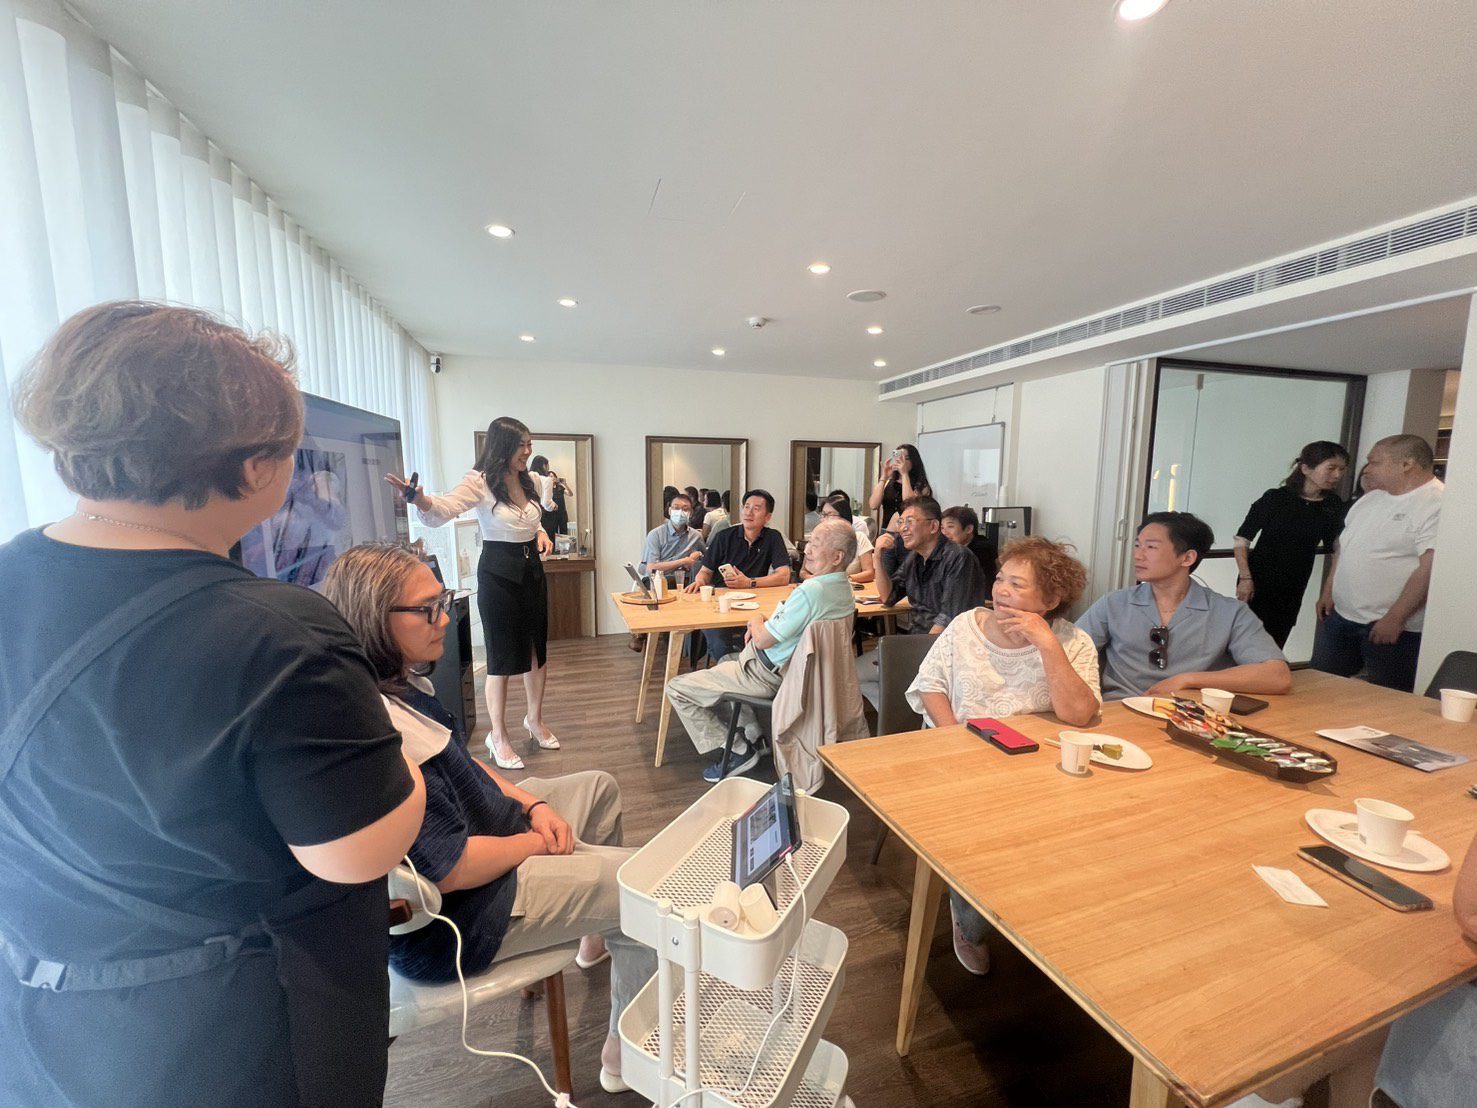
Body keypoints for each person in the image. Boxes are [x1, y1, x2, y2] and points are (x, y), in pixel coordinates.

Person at [0, 302, 426, 1106]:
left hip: (45, 1006)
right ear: (258, 466)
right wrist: (411, 758)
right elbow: (356, 852)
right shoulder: (277, 631)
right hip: (227, 1027)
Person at [321, 544, 654, 1096]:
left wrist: (533, 805)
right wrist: (535, 844)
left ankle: (594, 933)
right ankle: (629, 1052)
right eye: (428, 609)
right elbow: (451, 869)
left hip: (491, 834)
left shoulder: (401, 689)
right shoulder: (380, 734)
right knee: (644, 891)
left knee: (599, 789)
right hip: (467, 916)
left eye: (443, 602)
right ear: (375, 618)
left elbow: (462, 760)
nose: (444, 619)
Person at [905, 537, 1100, 975]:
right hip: (958, 760)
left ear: (1051, 599)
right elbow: (930, 685)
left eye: (1017, 584)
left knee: (1074, 825)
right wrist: (955, 739)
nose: (1001, 591)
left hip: (1035, 767)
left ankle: (1044, 913)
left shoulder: (1073, 642)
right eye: (999, 579)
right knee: (979, 830)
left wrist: (1047, 644)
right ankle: (969, 921)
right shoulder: (965, 626)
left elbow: (1078, 715)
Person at [388, 417, 560, 770]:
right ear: (502, 446)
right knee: (500, 658)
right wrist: (420, 499)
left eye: (529, 444)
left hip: (532, 572)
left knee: (536, 652)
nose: (528, 451)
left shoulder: (528, 480)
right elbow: (444, 509)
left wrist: (540, 533)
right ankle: (498, 736)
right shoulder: (480, 482)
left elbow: (532, 517)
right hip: (499, 574)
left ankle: (534, 720)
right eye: (522, 445)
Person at [669, 519, 859, 780]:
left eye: (815, 544)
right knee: (726, 658)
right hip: (804, 675)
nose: (808, 550)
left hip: (768, 673)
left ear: (837, 557)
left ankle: (738, 750)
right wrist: (766, 624)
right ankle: (754, 736)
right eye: (810, 543)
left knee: (677, 688)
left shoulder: (811, 591)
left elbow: (762, 641)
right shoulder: (843, 589)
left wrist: (757, 619)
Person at [1076, 512, 1292, 700]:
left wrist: (1188, 680)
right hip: (1121, 712)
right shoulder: (1114, 604)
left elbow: (1277, 676)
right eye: (1137, 545)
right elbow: (1069, 652)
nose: (1138, 555)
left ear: (1187, 558)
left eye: (1151, 547)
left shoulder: (1229, 612)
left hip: (1190, 716)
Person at [1310, 434, 1443, 692]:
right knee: (1318, 688)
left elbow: (1430, 567)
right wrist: (1329, 590)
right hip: (1342, 617)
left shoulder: (1436, 503)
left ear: (1406, 464)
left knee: (1385, 699)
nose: (1367, 469)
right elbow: (1344, 548)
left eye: (1375, 462)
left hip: (1392, 626)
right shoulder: (1371, 499)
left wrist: (1396, 617)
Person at [856, 495, 988, 708]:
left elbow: (948, 618)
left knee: (866, 673)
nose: (902, 528)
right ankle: (906, 713)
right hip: (917, 642)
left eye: (910, 521)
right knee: (854, 673)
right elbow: (888, 597)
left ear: (933, 526)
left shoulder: (959, 558)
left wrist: (916, 658)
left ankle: (907, 712)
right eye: (901, 522)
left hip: (947, 652)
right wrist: (877, 557)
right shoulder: (914, 559)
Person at [1231, 441, 1350, 648]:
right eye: (1331, 468)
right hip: (1259, 579)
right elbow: (1242, 539)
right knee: (1244, 637)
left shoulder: (1332, 505)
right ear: (1306, 468)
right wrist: (1245, 577)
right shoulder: (1275, 498)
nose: (1337, 475)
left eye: (1342, 469)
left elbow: (1337, 549)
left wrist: (1328, 590)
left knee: (1277, 638)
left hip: (1295, 583)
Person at [686, 489, 792, 662]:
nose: (749, 512)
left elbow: (784, 575)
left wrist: (749, 582)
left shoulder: (772, 537)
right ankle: (732, 670)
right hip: (722, 604)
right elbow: (705, 571)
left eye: (756, 508)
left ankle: (749, 670)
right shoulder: (723, 537)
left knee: (772, 637)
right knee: (721, 644)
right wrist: (700, 581)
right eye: (746, 507)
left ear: (767, 517)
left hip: (756, 604)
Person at [800, 493, 874, 583]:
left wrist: (842, 580)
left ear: (844, 516)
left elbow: (869, 573)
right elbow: (803, 572)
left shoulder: (859, 537)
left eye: (830, 515)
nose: (824, 519)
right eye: (823, 515)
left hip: (847, 587)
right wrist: (813, 579)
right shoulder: (815, 538)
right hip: (818, 586)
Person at [869, 443, 933, 533]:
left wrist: (904, 474)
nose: (901, 461)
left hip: (909, 531)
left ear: (913, 461)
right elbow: (873, 505)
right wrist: (884, 477)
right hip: (886, 530)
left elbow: (909, 504)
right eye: (899, 457)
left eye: (906, 458)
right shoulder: (889, 482)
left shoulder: (921, 485)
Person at [941, 505, 998, 584]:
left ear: (968, 529)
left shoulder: (982, 550)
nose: (944, 532)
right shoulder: (948, 549)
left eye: (950, 526)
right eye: (942, 528)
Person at [529, 454, 571, 541]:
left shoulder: (527, 478)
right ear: (544, 466)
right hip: (546, 515)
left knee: (535, 540)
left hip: (531, 515)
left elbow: (570, 494)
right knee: (548, 539)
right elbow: (547, 504)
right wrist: (554, 506)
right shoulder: (546, 480)